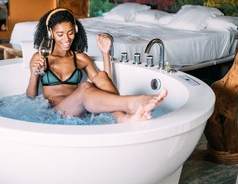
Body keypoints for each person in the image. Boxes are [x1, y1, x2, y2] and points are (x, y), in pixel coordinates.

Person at [26, 8, 167, 123]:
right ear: (51, 34)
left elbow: (105, 84)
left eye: (70, 33)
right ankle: (130, 103)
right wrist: (34, 73)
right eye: (60, 34)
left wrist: (105, 53)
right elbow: (30, 98)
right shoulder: (40, 57)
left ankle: (123, 118)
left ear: (75, 30)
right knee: (85, 87)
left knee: (100, 76)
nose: (66, 39)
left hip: (81, 111)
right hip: (56, 113)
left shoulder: (80, 58)